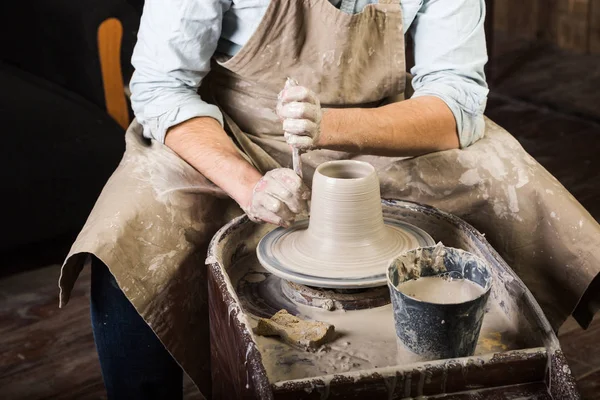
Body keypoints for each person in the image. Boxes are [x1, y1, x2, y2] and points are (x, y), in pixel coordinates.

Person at [59, 0, 600, 398]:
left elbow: (458, 101)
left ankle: (486, 372)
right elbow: (161, 87)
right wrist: (249, 184)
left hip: (375, 132)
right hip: (233, 132)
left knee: (507, 181)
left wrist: (333, 125)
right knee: (132, 229)